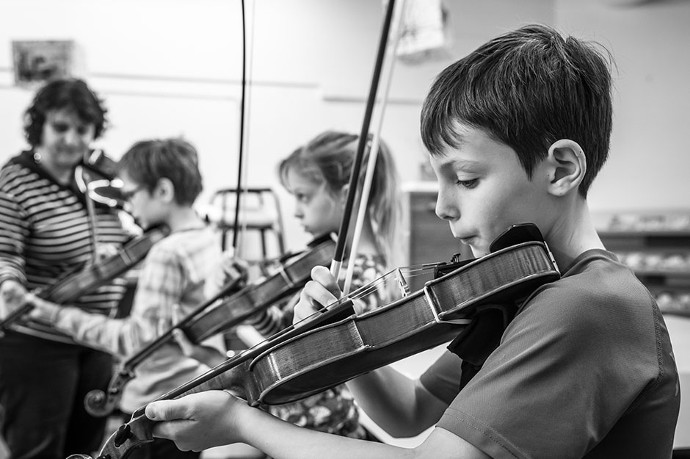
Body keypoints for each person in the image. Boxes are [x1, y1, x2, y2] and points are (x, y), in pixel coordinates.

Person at [144, 24, 681, 458]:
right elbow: (413, 408)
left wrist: (244, 424)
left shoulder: (589, 305)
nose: (443, 206)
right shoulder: (524, 294)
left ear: (561, 168)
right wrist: (337, 342)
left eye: (466, 180)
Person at [172, 130, 402, 442]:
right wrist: (250, 302)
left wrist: (215, 361)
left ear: (347, 196)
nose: (294, 210)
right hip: (297, 425)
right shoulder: (338, 264)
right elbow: (288, 331)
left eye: (303, 196)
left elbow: (295, 364)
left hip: (320, 433)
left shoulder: (362, 280)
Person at [27, 137, 227, 459]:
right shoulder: (204, 234)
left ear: (163, 191)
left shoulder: (166, 252)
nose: (127, 205)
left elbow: (137, 342)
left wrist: (56, 315)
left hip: (153, 409)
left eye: (131, 195)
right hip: (189, 392)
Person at [0, 78, 130, 459]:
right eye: (61, 127)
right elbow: (4, 252)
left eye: (82, 130)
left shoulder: (99, 179)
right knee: (38, 449)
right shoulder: (14, 182)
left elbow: (130, 228)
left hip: (96, 339)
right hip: (39, 342)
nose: (72, 140)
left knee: (88, 450)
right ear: (39, 125)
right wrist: (9, 285)